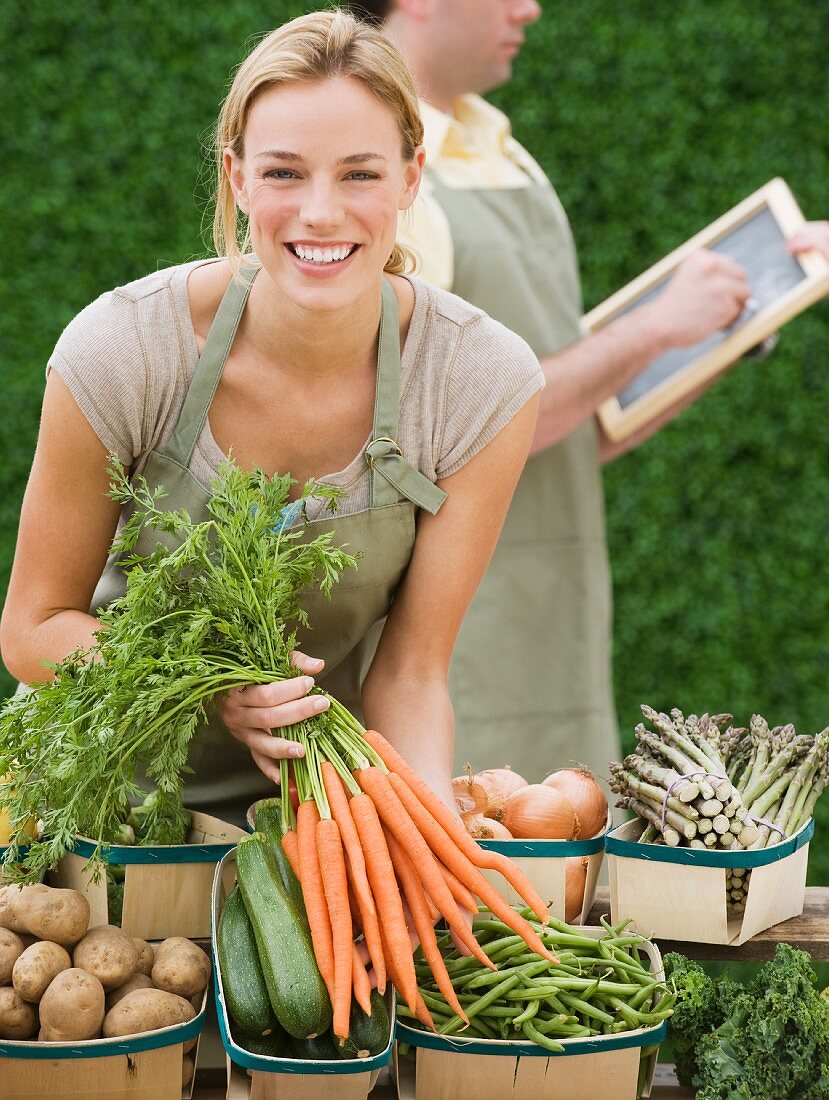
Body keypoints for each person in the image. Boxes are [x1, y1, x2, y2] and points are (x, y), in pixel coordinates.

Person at [0, 10, 544, 825]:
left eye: (359, 174)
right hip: (78, 807)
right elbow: (33, 629)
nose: (320, 214)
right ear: (238, 178)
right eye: (285, 173)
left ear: (409, 178)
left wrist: (437, 857)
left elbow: (409, 675)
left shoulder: (476, 381)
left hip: (300, 826)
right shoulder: (128, 349)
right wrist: (212, 678)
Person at [345, 0, 829, 786]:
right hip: (449, 635)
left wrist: (738, 319)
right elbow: (436, 432)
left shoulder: (505, 152)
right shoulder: (386, 178)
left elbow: (582, 425)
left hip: (556, 622)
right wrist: (653, 327)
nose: (529, 7)